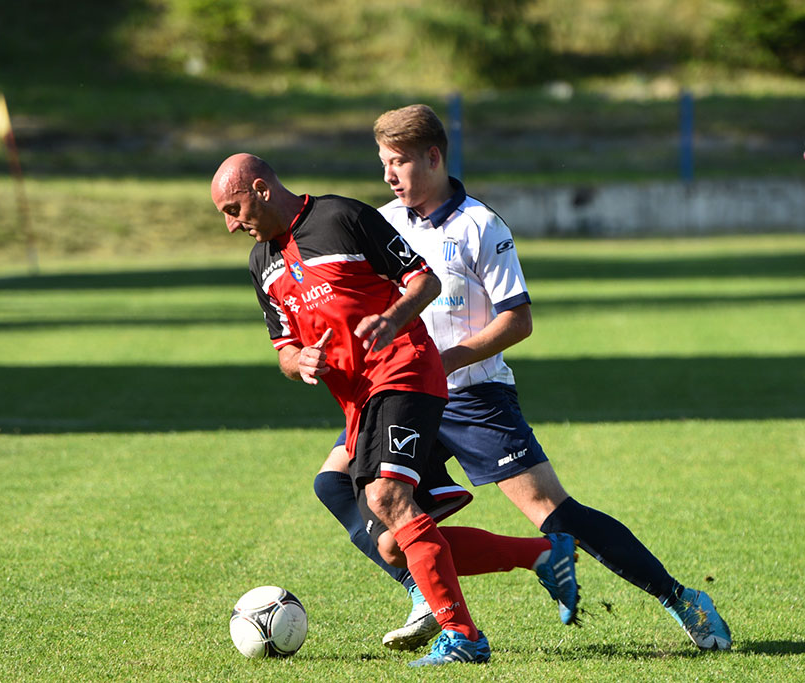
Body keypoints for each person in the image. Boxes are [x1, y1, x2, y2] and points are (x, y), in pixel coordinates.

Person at [313, 104, 732, 653]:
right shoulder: (383, 223)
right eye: (383, 163)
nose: (389, 175)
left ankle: (681, 599)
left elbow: (519, 319)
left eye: (399, 162)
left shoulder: (480, 226)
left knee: (554, 513)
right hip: (404, 395)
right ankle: (425, 590)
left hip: (472, 397)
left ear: (434, 157)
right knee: (344, 491)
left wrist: (451, 359)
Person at [211, 153, 579, 667]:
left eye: (234, 208)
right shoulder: (261, 264)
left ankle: (462, 635)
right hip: (358, 402)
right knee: (389, 544)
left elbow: (424, 280)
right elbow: (284, 350)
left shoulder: (342, 217)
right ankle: (540, 554)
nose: (231, 224)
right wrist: (302, 361)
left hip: (405, 371)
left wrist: (392, 318)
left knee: (387, 497)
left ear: (261, 189)